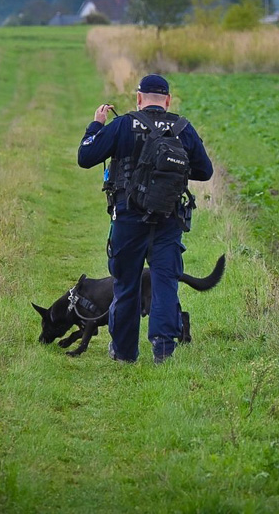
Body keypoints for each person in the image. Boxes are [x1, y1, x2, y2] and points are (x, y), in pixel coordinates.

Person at [77, 74, 213, 363]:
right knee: (164, 283)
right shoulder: (182, 128)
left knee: (126, 284)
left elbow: (85, 156)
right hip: (168, 218)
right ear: (168, 101)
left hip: (128, 218)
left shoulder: (124, 124)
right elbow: (205, 171)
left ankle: (125, 353)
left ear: (139, 99)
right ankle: (163, 350)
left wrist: (96, 124)